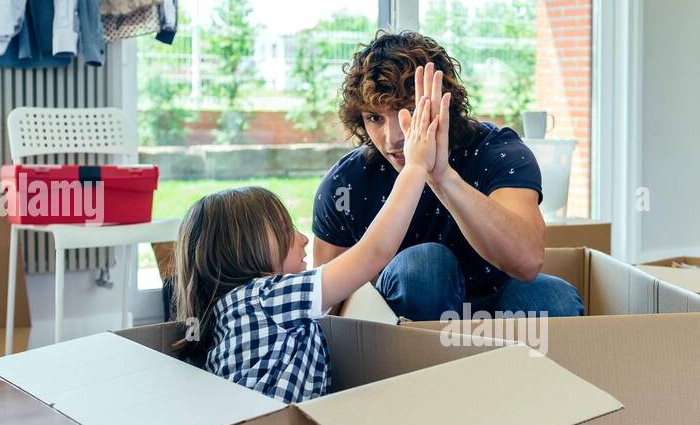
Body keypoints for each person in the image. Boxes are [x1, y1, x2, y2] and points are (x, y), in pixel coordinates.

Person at [170, 69, 443, 401]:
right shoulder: (264, 298)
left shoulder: (234, 313)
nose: (302, 239)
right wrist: (416, 167)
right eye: (287, 231)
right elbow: (373, 252)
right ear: (245, 247)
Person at [312, 32, 584, 322]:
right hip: (404, 328)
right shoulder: (348, 183)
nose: (393, 138)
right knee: (426, 266)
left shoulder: (497, 152)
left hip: (493, 311)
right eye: (374, 118)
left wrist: (442, 177)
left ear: (446, 106)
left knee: (554, 298)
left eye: (409, 112)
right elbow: (326, 307)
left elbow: (528, 262)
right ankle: (433, 364)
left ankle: (505, 367)